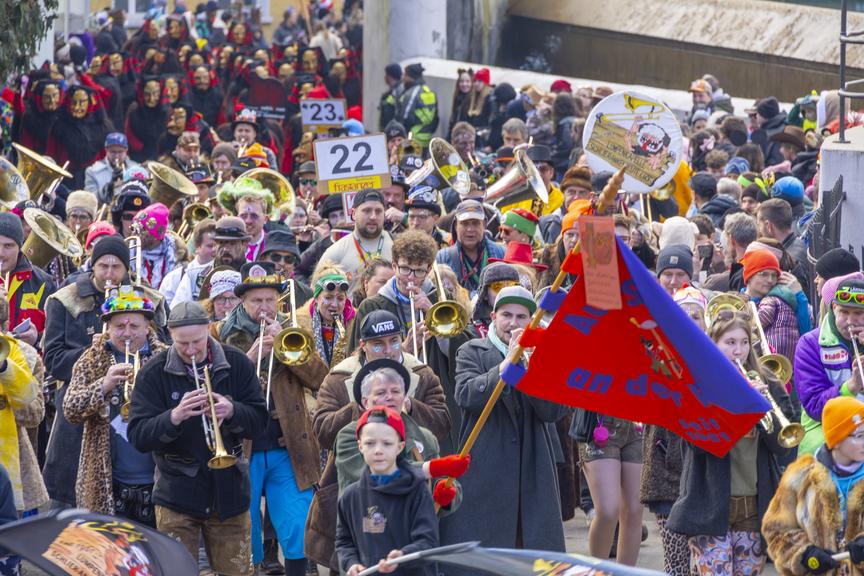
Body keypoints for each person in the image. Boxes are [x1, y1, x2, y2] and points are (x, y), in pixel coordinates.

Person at [127, 301, 267, 575]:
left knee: (238, 572)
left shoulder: (236, 362)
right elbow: (138, 436)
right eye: (182, 344)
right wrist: (174, 417)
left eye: (197, 342)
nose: (191, 350)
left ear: (209, 330)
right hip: (176, 494)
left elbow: (259, 423)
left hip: (230, 493)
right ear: (170, 336)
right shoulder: (153, 373)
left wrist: (233, 410)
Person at [439, 286, 566, 568]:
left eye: (522, 317)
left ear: (532, 320)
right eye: (506, 315)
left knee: (531, 553)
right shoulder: (472, 350)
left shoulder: (544, 355)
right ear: (494, 316)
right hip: (487, 465)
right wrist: (505, 367)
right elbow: (466, 396)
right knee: (487, 555)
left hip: (532, 468)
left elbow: (553, 412)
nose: (513, 323)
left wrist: (531, 367)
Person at [667, 313, 792, 576]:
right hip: (710, 506)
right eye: (730, 342)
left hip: (754, 507)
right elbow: (699, 444)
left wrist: (761, 407)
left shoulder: (767, 381)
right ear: (714, 343)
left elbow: (784, 445)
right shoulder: (698, 385)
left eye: (745, 342)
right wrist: (737, 406)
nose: (739, 351)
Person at [63, 286, 167, 523]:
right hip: (106, 481)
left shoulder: (164, 358)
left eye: (134, 326)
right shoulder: (92, 358)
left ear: (147, 327)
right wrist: (104, 384)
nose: (127, 333)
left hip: (159, 479)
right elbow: (70, 410)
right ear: (108, 329)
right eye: (119, 327)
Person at [763, 396, 864, 575]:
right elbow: (775, 530)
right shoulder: (800, 477)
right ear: (837, 440)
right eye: (859, 436)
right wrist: (803, 554)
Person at [335, 406, 439, 576]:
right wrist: (351, 563)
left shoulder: (417, 490)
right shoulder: (350, 497)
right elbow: (344, 542)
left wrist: (403, 556)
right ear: (360, 445)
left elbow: (428, 542)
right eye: (370, 443)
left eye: (387, 443)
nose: (378, 450)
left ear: (399, 447)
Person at [796, 279, 864, 455]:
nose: (850, 321)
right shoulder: (810, 343)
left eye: (858, 313)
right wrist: (851, 387)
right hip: (824, 426)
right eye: (844, 312)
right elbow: (813, 405)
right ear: (833, 307)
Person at [0, 212, 56, 347]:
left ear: (20, 247)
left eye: (8, 246)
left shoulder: (44, 283)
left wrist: (37, 338)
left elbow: (56, 335)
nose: (0, 253)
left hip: (26, 363)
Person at [436, 200, 505, 298]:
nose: (470, 229)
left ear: (485, 224)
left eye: (476, 223)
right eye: (464, 223)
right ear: (455, 225)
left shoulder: (501, 253)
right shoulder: (442, 258)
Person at [321, 189, 394, 279]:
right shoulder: (336, 252)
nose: (373, 217)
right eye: (367, 211)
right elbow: (317, 290)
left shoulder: (396, 245)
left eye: (378, 211)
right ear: (354, 214)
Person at [166, 218, 217, 307]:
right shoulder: (175, 277)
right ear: (197, 246)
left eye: (218, 244)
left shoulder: (223, 271)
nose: (215, 249)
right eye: (210, 246)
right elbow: (169, 313)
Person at [129, 202, 177, 290]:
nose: (134, 233)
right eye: (134, 227)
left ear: (156, 236)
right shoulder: (127, 253)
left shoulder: (176, 260)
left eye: (141, 229)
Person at [84, 132, 140, 204]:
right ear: (106, 150)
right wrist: (109, 187)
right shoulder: (92, 171)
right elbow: (89, 199)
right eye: (113, 152)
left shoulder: (136, 168)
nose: (116, 156)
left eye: (120, 152)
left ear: (126, 150)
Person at [396, 63, 438, 149]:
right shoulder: (428, 91)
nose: (403, 77)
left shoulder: (412, 93)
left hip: (413, 140)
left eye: (405, 74)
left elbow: (405, 117)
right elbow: (436, 117)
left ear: (411, 76)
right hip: (427, 139)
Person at [757, 198, 808, 269]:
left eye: (759, 225)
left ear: (768, 225)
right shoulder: (800, 244)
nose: (759, 230)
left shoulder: (787, 261)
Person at [379, 63, 405, 131]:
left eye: (386, 74)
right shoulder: (392, 91)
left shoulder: (399, 91)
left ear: (390, 76)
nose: (384, 77)